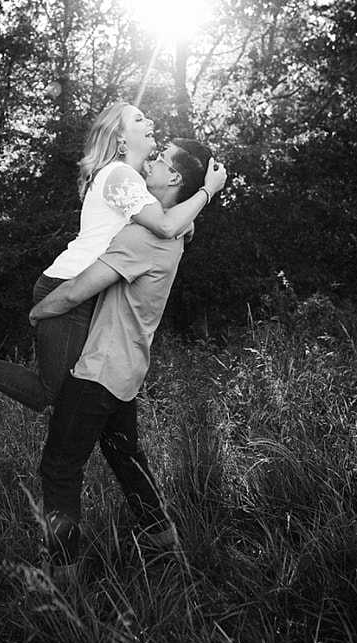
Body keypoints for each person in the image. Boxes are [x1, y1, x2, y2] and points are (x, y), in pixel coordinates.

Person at [0, 102, 226, 411]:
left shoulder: (132, 181)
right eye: (140, 120)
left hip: (85, 290)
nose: (150, 124)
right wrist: (208, 190)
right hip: (68, 286)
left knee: (81, 390)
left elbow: (169, 217)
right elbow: (167, 225)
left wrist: (189, 220)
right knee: (53, 393)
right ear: (121, 139)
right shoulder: (120, 176)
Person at [27, 139, 216, 584]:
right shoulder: (173, 235)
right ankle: (161, 542)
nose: (150, 160)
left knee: (59, 467)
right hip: (128, 369)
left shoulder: (144, 236)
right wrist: (204, 193)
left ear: (173, 178)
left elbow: (78, 290)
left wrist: (38, 310)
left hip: (98, 369)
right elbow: (177, 223)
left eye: (161, 158)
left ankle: (63, 576)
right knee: (125, 456)